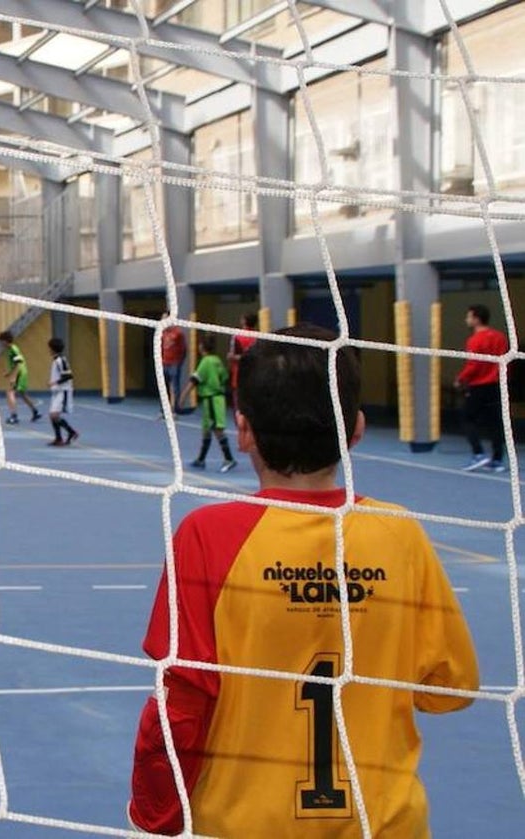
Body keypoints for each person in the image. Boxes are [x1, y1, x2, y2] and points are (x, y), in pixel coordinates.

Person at [129, 323, 479, 837]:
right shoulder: (399, 533)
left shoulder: (209, 534)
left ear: (243, 428)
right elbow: (450, 690)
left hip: (245, 824)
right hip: (380, 822)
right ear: (356, 429)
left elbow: (181, 702)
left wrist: (153, 815)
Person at [455, 303, 510, 472]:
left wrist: (461, 378)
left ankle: (478, 453)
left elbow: (474, 364)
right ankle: (498, 460)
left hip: (479, 386)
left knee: (467, 418)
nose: (467, 320)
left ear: (476, 319)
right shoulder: (500, 337)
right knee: (496, 423)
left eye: (469, 316)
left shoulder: (475, 339)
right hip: (496, 385)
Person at [178, 333, 237, 473]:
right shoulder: (217, 360)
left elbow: (194, 380)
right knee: (206, 430)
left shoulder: (205, 362)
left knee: (217, 429)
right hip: (216, 398)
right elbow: (224, 376)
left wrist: (182, 398)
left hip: (212, 399)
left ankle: (229, 458)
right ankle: (201, 459)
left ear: (202, 347)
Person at [0, 330, 41, 425]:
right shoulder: (10, 349)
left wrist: (13, 377)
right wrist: (9, 373)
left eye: (1, 341)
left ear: (5, 341)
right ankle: (35, 411)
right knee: (22, 394)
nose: (0, 343)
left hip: (20, 374)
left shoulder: (13, 349)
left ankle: (14, 416)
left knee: (10, 392)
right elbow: (14, 364)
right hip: (19, 373)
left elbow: (19, 363)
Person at [46, 337, 79, 446]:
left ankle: (71, 432)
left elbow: (69, 375)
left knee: (54, 415)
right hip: (57, 392)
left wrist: (54, 382)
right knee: (53, 415)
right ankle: (59, 438)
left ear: (52, 349)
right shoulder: (56, 361)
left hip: (63, 391)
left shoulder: (61, 361)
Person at [227, 311, 258, 406]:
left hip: (239, 375)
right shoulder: (260, 336)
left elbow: (232, 356)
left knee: (239, 405)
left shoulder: (237, 336)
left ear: (244, 321)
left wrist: (232, 359)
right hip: (255, 375)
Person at [159, 311, 187, 415]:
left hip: (174, 363)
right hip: (164, 363)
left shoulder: (178, 333)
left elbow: (184, 349)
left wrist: (179, 362)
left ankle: (175, 410)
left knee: (175, 387)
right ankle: (164, 410)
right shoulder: (162, 333)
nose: (163, 320)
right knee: (163, 387)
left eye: (164, 318)